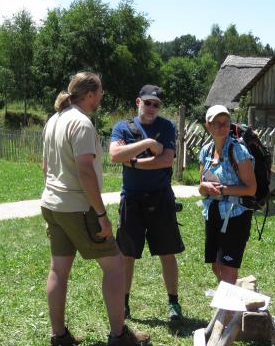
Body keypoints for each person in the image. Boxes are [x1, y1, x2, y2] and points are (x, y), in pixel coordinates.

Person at [40, 71, 150, 346]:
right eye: (100, 91)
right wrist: (101, 214)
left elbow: (45, 167)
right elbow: (85, 172)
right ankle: (118, 335)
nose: (102, 96)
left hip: (53, 204)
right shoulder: (81, 123)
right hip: (78, 207)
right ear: (89, 95)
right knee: (115, 266)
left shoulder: (54, 120)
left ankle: (58, 334)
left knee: (58, 270)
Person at [109, 85, 186, 322]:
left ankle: (173, 302)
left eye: (156, 104)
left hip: (160, 197)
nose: (151, 107)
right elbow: (114, 155)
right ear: (138, 102)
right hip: (131, 199)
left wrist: (132, 161)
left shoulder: (167, 126)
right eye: (148, 103)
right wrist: (148, 143)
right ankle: (123, 303)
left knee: (167, 253)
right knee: (127, 255)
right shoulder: (122, 127)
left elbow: (165, 161)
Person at [198, 105, 257, 285]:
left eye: (226, 122)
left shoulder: (238, 150)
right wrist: (204, 186)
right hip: (213, 212)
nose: (222, 126)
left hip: (236, 215)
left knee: (228, 269)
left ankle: (227, 301)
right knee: (216, 265)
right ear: (208, 126)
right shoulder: (206, 151)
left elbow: (251, 189)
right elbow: (201, 187)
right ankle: (232, 294)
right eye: (217, 123)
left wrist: (223, 190)